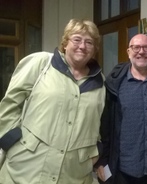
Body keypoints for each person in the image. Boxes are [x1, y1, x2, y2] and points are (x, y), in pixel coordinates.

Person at [0, 19, 105, 183]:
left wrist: (95, 151)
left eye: (89, 42)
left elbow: (96, 124)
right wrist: (12, 143)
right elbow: (9, 106)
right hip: (26, 169)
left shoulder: (100, 84)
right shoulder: (41, 63)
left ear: (95, 49)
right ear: (65, 42)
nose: (82, 46)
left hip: (72, 174)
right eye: (76, 39)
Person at [95, 34, 147, 184]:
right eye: (136, 47)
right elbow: (104, 125)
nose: (141, 51)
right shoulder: (114, 84)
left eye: (146, 47)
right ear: (128, 51)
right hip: (120, 169)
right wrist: (101, 160)